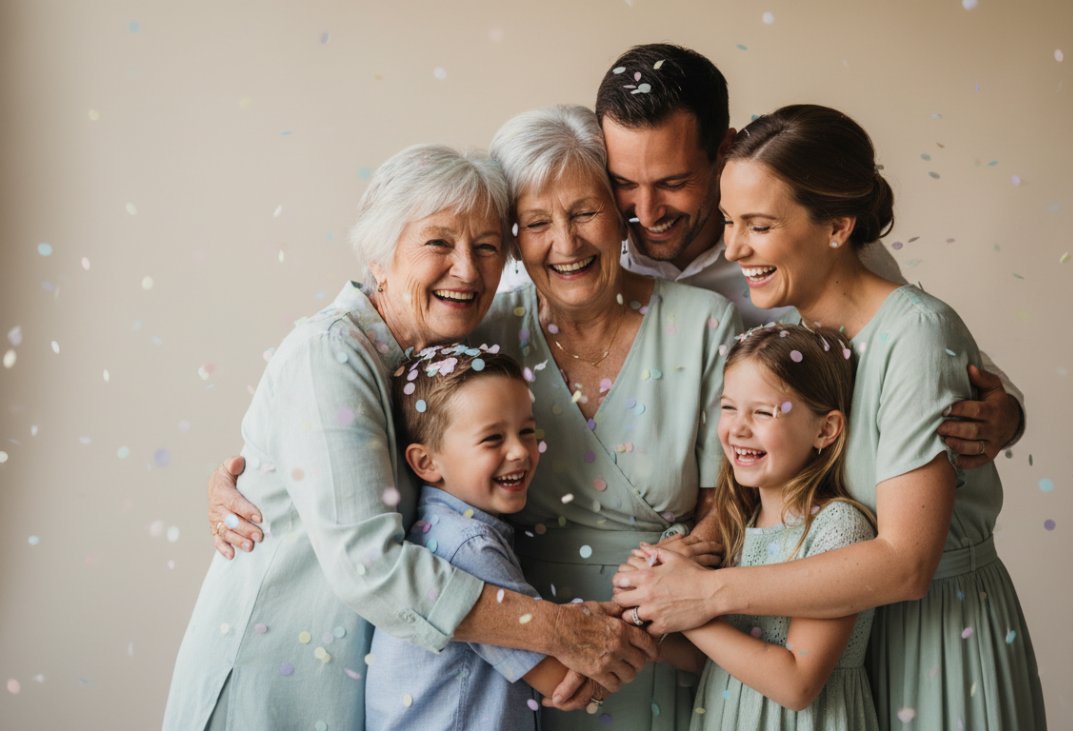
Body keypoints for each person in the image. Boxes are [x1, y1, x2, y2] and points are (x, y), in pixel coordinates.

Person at [163, 144, 653, 731]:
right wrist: (555, 630)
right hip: (274, 680)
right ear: (380, 258)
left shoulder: (441, 360)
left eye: (488, 247)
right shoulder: (332, 354)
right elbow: (370, 566)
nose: (467, 270)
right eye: (438, 243)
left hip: (354, 685)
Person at [613, 105, 1046, 730]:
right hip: (831, 650)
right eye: (730, 221)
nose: (733, 248)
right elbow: (788, 502)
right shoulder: (793, 338)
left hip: (934, 643)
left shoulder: (917, 335)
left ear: (838, 227)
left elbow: (905, 562)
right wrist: (685, 555)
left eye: (758, 225)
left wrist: (706, 594)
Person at [500, 42, 1024, 465]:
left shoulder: (806, 246)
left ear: (724, 150)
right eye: (624, 184)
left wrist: (1006, 417)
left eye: (674, 182)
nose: (647, 210)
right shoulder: (576, 261)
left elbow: (928, 353)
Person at [473, 104, 741, 730]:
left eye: (584, 213)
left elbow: (727, 503)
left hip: (665, 638)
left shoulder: (703, 324)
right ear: (514, 237)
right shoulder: (485, 337)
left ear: (619, 217)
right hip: (527, 651)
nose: (565, 244)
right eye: (536, 222)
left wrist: (652, 599)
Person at [366, 345, 605, 730]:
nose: (520, 451)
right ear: (426, 462)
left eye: (527, 431)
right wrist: (641, 613)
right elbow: (563, 681)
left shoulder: (440, 529)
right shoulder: (469, 546)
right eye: (493, 439)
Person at [653, 324, 880, 731]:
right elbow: (716, 657)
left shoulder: (838, 528)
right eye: (728, 407)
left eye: (763, 412)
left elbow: (797, 684)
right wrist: (653, 617)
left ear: (824, 429)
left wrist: (683, 604)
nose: (738, 428)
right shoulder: (740, 524)